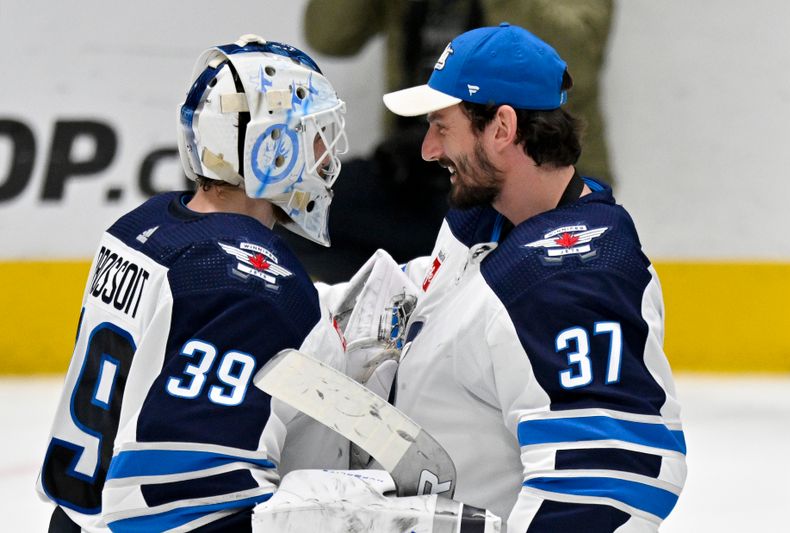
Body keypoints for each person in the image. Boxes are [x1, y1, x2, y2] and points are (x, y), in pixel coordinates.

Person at [378, 24, 686, 531]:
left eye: (441, 126)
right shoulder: (487, 218)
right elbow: (452, 303)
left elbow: (608, 482)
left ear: (501, 128)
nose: (428, 149)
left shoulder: (574, 280)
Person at [36, 35, 350, 532]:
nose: (324, 152)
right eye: (312, 133)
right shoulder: (260, 283)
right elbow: (194, 498)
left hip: (72, 519)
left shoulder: (143, 223)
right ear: (273, 147)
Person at [285, 0, 614, 283]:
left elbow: (575, 61)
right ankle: (400, 312)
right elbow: (328, 37)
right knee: (293, 211)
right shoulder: (432, 146)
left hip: (524, 173)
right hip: (410, 171)